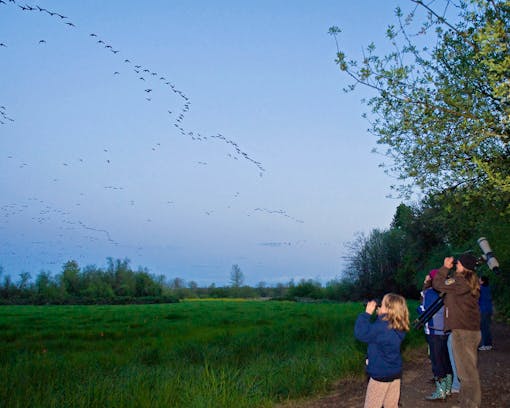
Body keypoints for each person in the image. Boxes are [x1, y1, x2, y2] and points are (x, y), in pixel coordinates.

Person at [432, 253, 481, 408]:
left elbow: (438, 284)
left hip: (463, 332)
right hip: (468, 331)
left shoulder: (461, 281)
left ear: (465, 266)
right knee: (464, 372)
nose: (456, 266)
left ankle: (471, 404)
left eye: (458, 264)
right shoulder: (466, 281)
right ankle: (465, 403)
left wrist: (445, 267)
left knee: (467, 373)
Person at [354, 293, 410, 408]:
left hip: (380, 375)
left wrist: (366, 314)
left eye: (382, 304)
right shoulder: (399, 326)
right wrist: (381, 315)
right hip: (395, 373)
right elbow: (383, 327)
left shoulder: (381, 327)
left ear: (388, 310)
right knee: (391, 405)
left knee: (372, 405)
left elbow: (361, 333)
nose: (379, 306)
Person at [418, 270, 453, 401]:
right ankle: (448, 388)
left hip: (433, 331)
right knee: (445, 360)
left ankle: (440, 392)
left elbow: (423, 310)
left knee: (436, 362)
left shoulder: (429, 293)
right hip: (446, 330)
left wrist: (425, 285)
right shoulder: (449, 291)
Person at [478, 275, 493, 351]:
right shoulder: (488, 288)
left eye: (479, 280)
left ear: (483, 281)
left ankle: (485, 344)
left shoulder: (481, 289)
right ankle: (488, 344)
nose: (478, 281)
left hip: (484, 310)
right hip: (489, 309)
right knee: (487, 327)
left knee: (483, 327)